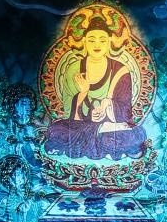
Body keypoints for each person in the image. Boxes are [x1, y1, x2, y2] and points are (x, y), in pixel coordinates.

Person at [44, 12, 147, 160]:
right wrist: (83, 93)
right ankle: (106, 142)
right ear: (84, 41)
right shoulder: (73, 69)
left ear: (109, 41)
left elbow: (125, 112)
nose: (97, 45)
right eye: (91, 40)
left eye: (102, 40)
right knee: (56, 130)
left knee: (136, 133)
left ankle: (99, 138)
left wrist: (107, 105)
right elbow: (69, 115)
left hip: (110, 127)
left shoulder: (121, 70)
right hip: (84, 127)